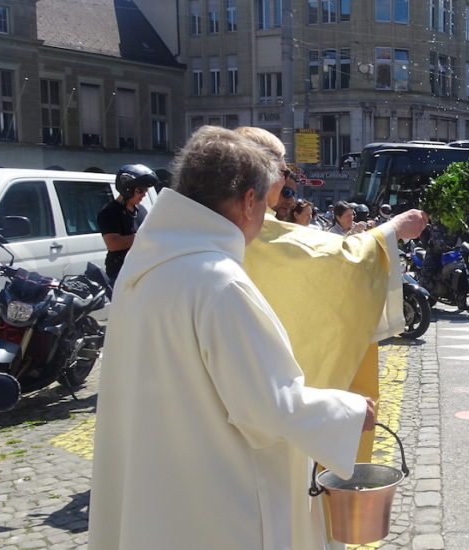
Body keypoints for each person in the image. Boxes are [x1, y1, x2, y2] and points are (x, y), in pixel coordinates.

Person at [89, 126, 377, 550]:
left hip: (160, 486)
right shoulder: (220, 283)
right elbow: (270, 408)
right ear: (247, 200)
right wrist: (353, 412)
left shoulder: (146, 264)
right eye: (266, 201)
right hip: (221, 505)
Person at [236, 127, 427, 469]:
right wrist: (393, 230)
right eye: (284, 173)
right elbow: (338, 261)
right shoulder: (249, 225)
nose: (286, 183)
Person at [97, 164, 157, 284]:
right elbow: (113, 244)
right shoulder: (110, 212)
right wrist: (145, 236)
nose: (144, 195)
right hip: (120, 275)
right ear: (127, 189)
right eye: (140, 191)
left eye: (146, 191)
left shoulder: (141, 211)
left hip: (140, 272)